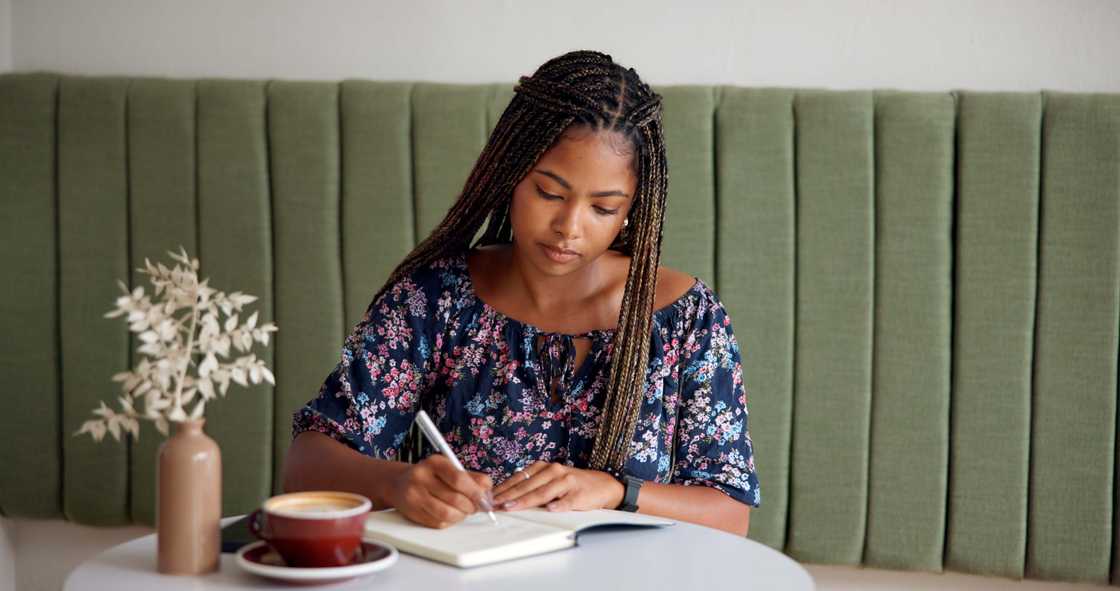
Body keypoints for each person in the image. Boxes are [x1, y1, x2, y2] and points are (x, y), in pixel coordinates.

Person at [283, 50, 760, 536]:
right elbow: (307, 462)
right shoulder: (436, 300)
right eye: (549, 194)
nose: (568, 228)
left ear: (632, 210)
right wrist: (398, 482)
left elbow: (729, 515)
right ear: (511, 175)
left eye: (602, 207)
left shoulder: (688, 318)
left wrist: (617, 491)